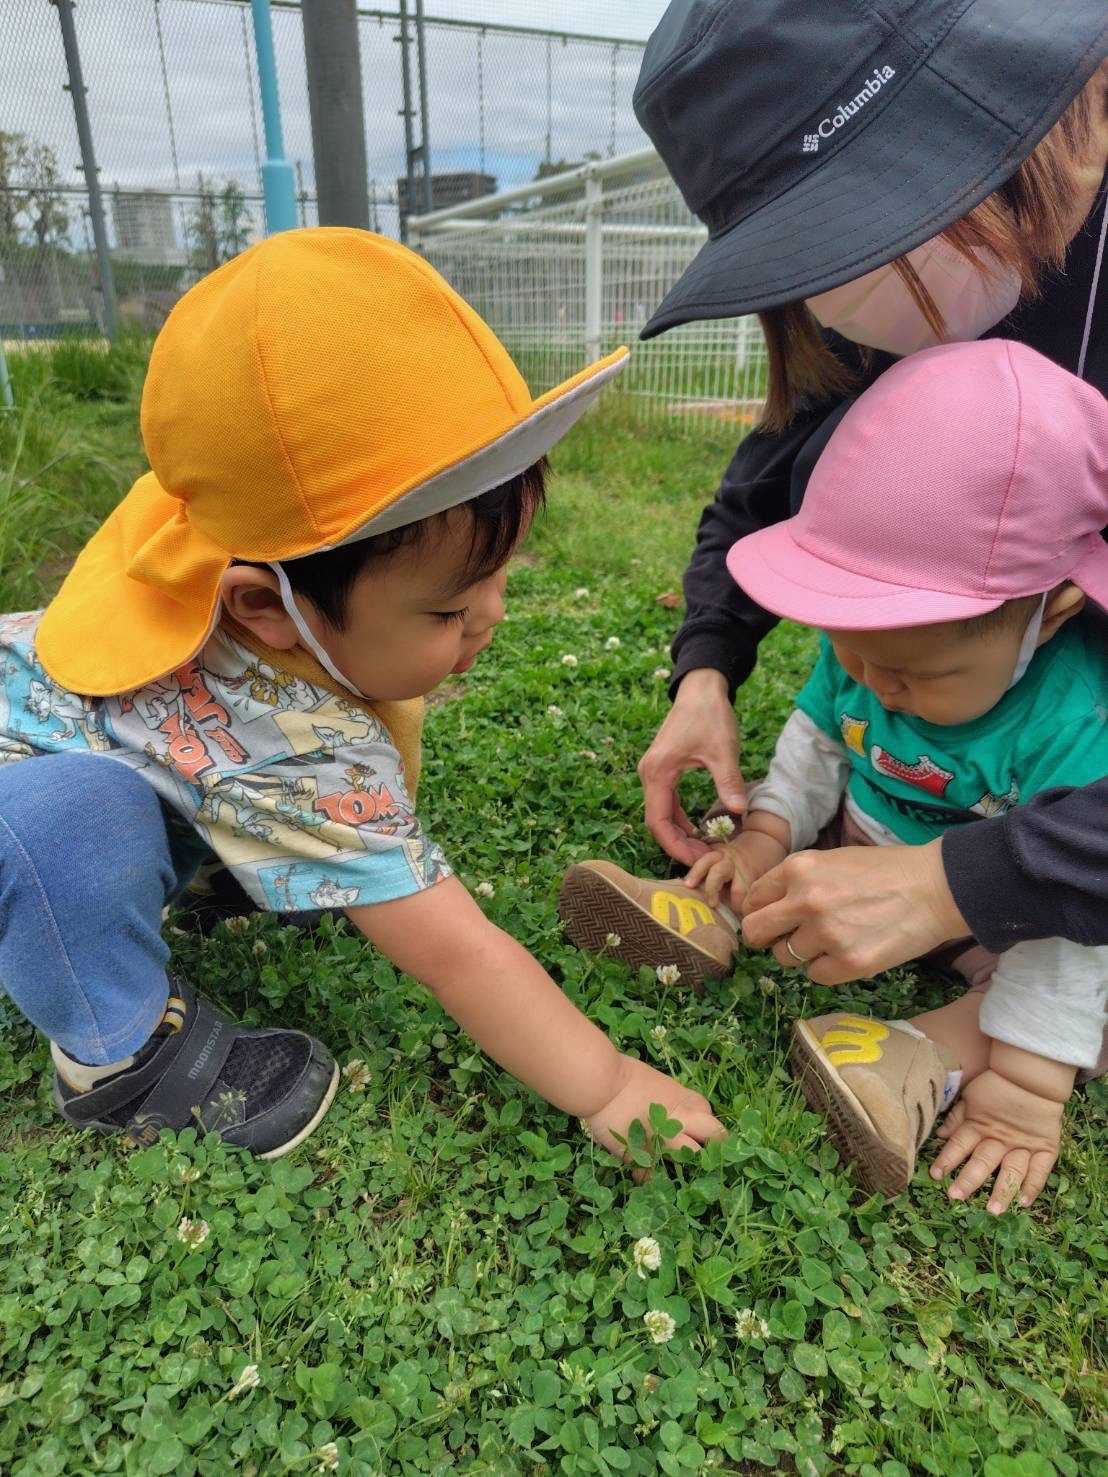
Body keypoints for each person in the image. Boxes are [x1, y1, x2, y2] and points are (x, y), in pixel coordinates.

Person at [0, 228, 723, 1162]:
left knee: (115, 786)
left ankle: (209, 865)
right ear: (263, 606)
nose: (491, 620)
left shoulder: (220, 534)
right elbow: (457, 950)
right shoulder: (284, 734)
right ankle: (118, 1052)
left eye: (501, 579)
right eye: (450, 610)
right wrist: (612, 1081)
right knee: (65, 818)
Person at [560, 340, 1107, 1212]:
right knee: (784, 852)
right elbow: (820, 737)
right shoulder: (872, 653)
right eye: (855, 654)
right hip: (859, 844)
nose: (879, 689)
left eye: (921, 678)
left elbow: (1078, 908)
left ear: (1054, 609)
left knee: (1074, 986)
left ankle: (904, 1052)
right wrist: (768, 831)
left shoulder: (1078, 717)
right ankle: (709, 913)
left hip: (1004, 915)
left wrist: (1032, 1089)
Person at [631, 0, 1108, 981]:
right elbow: (763, 483)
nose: (853, 292)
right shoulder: (893, 290)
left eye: (874, 215)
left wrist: (958, 882)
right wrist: (707, 667)